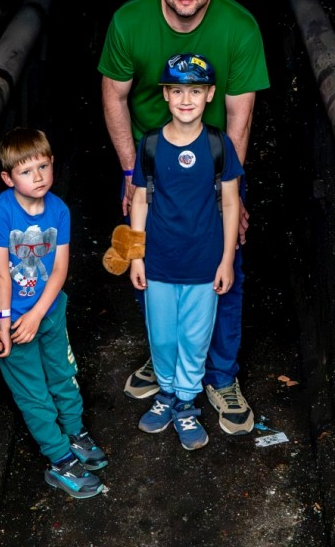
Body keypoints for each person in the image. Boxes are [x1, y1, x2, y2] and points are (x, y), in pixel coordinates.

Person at [99, 0, 270, 434]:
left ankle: (220, 376)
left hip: (213, 166)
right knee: (147, 259)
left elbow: (240, 115)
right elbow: (113, 98)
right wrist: (131, 173)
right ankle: (167, 361)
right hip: (152, 163)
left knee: (225, 267)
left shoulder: (239, 26)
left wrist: (227, 187)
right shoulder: (129, 21)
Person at [0, 127, 108, 498]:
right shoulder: (1, 212)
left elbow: (59, 270)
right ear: (8, 178)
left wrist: (39, 313)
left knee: (63, 374)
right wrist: (4, 325)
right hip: (14, 321)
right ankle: (59, 460)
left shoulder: (59, 210)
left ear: (52, 164)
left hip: (49, 312)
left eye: (42, 166)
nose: (37, 177)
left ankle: (74, 433)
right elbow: (1, 275)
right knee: (34, 393)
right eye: (26, 171)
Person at [129, 53, 242, 450]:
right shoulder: (151, 144)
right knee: (162, 336)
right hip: (159, 261)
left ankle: (186, 401)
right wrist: (136, 256)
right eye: (177, 91)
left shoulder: (218, 144)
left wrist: (227, 260)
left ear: (210, 94)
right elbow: (139, 201)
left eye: (195, 91)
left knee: (194, 338)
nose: (186, 99)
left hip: (203, 262)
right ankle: (165, 393)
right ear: (165, 94)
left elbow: (231, 203)